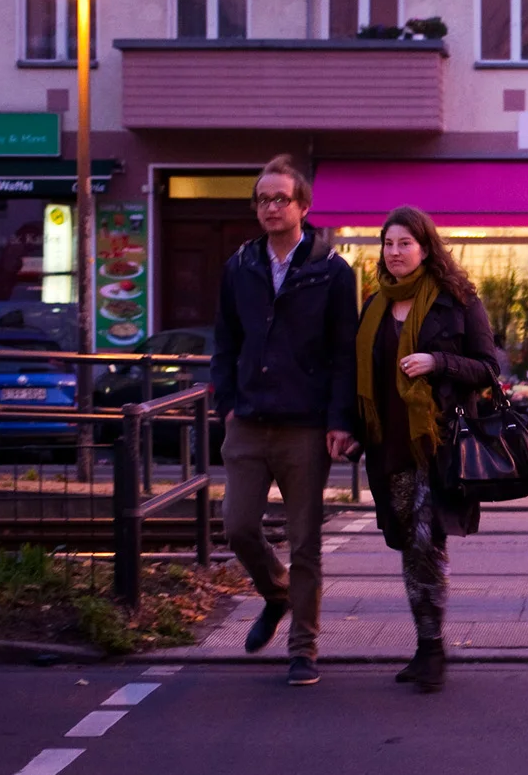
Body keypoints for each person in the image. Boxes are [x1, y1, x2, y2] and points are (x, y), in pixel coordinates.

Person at [211, 156, 359, 687]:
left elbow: (347, 353)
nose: (270, 208)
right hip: (247, 420)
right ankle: (278, 596)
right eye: (262, 200)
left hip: (305, 425)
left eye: (280, 199)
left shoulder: (332, 270)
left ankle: (304, 649)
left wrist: (342, 420)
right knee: (238, 527)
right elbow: (225, 340)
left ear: (303, 206)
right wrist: (226, 402)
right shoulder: (240, 266)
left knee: (305, 543)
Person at [349, 205, 503, 693]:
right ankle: (425, 644)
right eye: (388, 244)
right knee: (408, 545)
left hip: (437, 443)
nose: (395, 253)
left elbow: (487, 366)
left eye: (405, 244)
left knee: (423, 541)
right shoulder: (373, 306)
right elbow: (363, 379)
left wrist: (438, 361)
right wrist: (351, 429)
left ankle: (432, 649)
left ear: (425, 247)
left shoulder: (457, 300)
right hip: (387, 444)